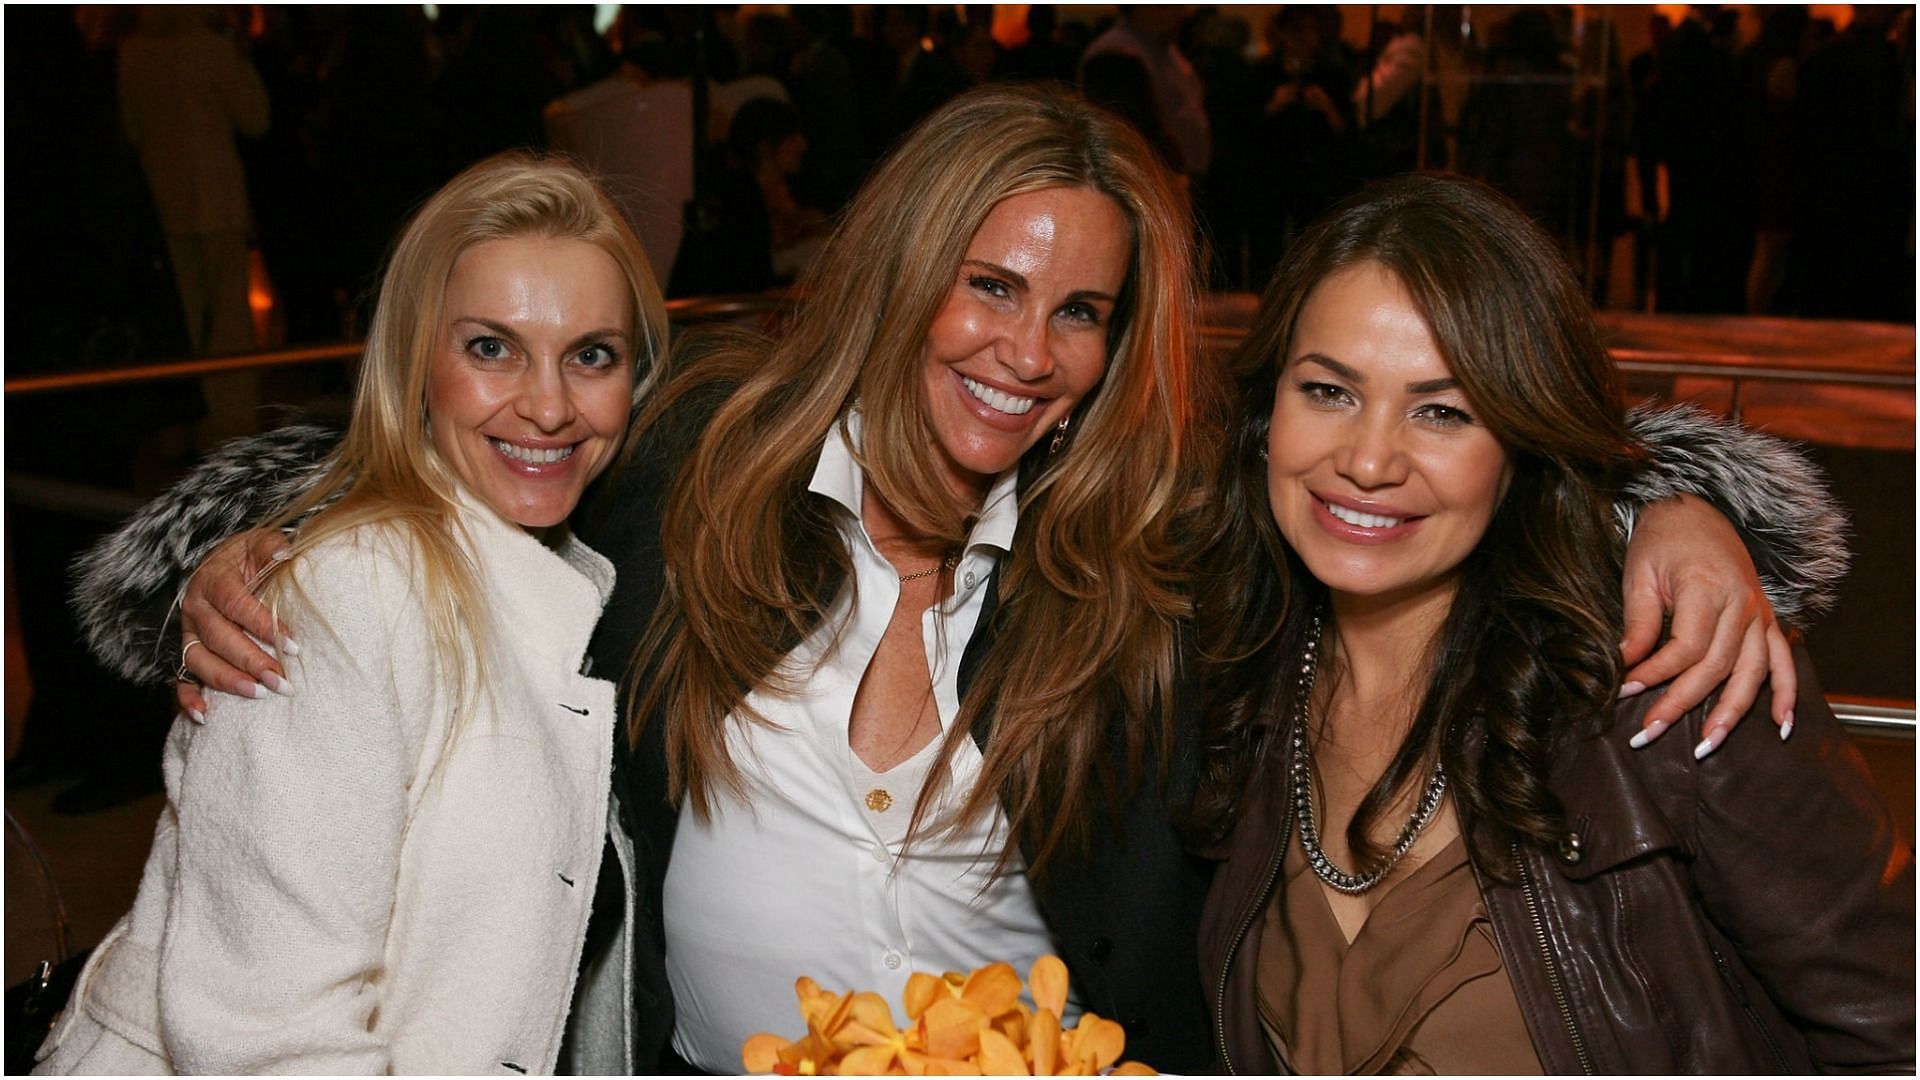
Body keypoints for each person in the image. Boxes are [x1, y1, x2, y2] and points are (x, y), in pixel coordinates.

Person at [82, 86, 1830, 1074]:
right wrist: (258, 556)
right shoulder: (693, 463)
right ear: (909, 266)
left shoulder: (1142, 559)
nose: (1027, 352)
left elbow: (1399, 473)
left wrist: (1665, 510)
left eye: (1082, 313)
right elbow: (468, 446)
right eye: (991, 285)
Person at [1194, 173, 1911, 1074]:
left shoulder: (1673, 685)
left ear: (1521, 443)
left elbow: (1892, 1032)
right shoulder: (1229, 675)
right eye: (1329, 392)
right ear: (1268, 415)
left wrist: (1674, 498)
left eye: (1442, 411)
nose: (1368, 460)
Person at [35, 154, 668, 1074]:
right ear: (415, 360)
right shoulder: (347, 598)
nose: (547, 406)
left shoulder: (579, 569)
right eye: (490, 347)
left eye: (590, 355)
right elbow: (264, 1040)